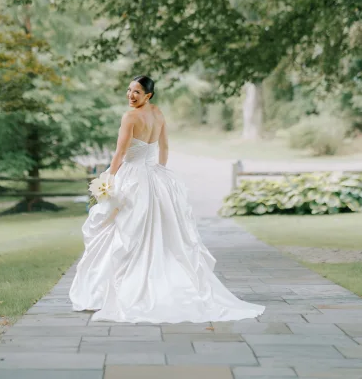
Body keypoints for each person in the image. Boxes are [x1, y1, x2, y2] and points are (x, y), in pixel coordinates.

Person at [69, 75, 264, 323]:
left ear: (148, 94)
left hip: (132, 177)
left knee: (126, 232)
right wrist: (159, 172)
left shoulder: (129, 117)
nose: (130, 95)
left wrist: (109, 179)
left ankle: (118, 291)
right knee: (160, 233)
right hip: (155, 178)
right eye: (129, 90)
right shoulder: (158, 114)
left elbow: (120, 153)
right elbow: (164, 149)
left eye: (136, 92)